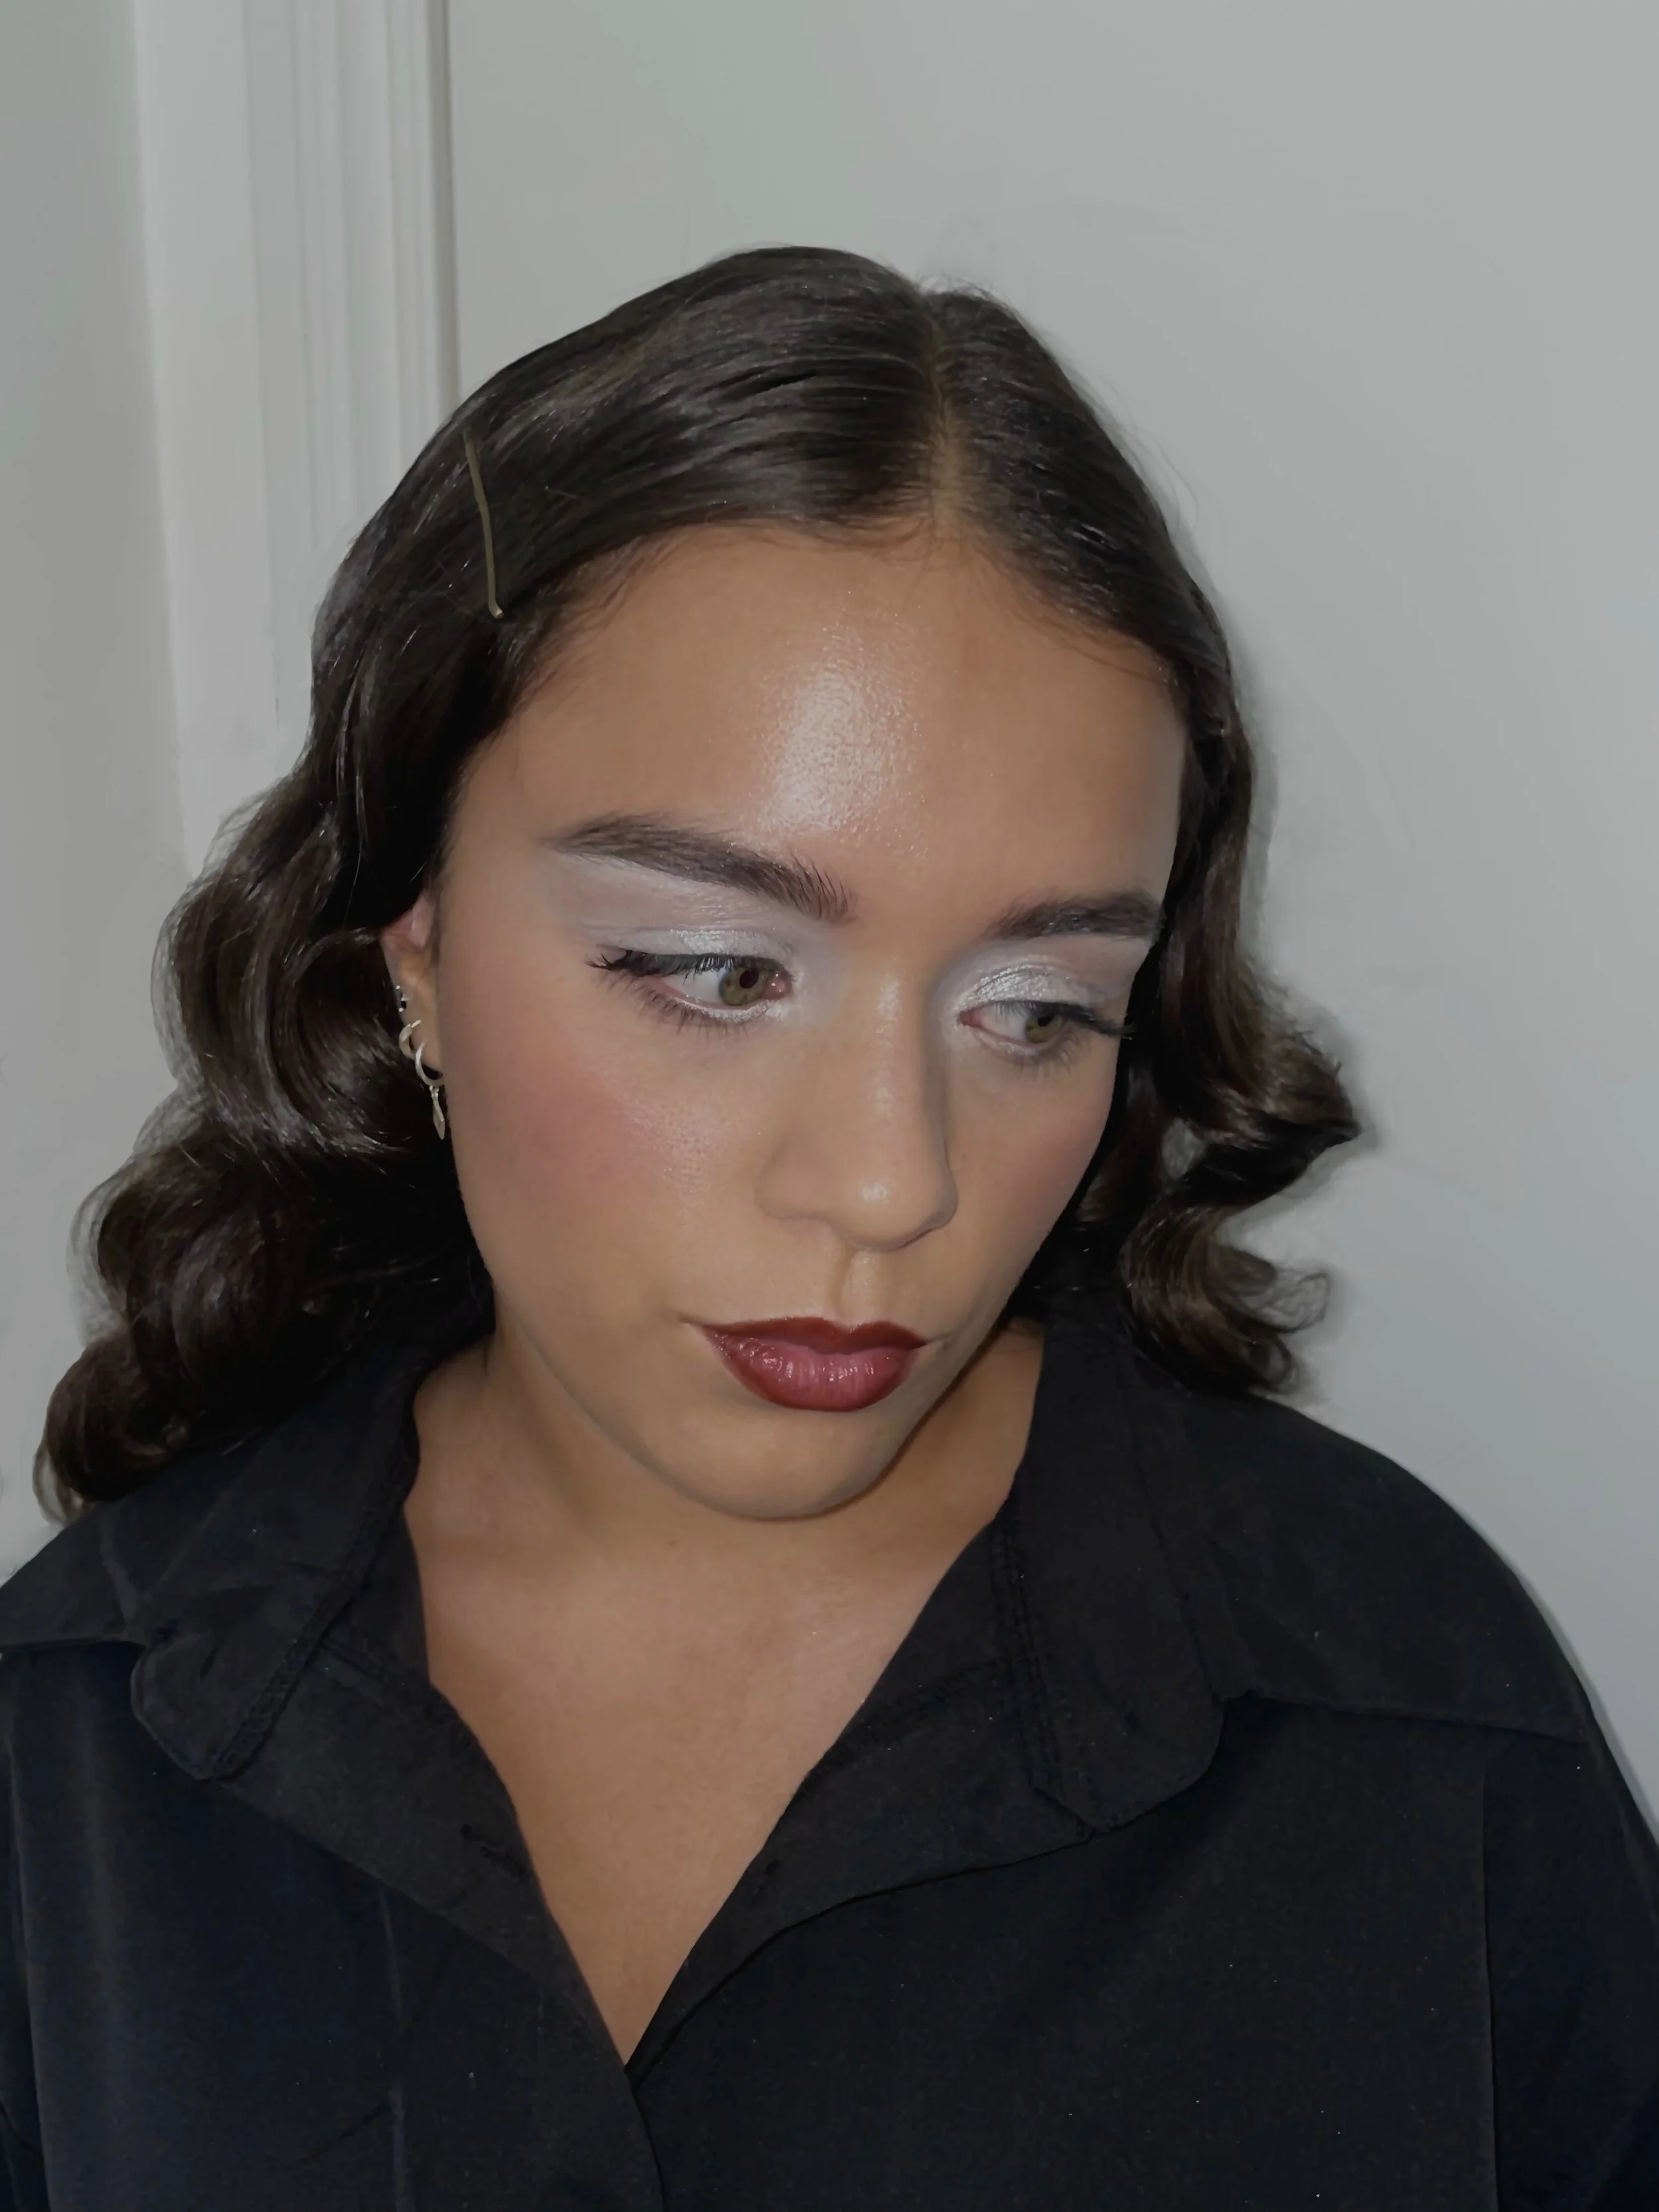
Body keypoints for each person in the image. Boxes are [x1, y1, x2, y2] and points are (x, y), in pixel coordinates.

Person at [2, 246, 1654, 2210]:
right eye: (716, 972)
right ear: (414, 949)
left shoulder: (1406, 1711)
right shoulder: (65, 1741)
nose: (891, 1184)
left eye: (1033, 1009)